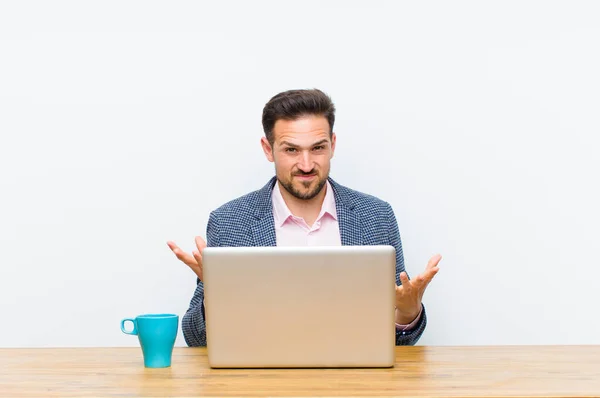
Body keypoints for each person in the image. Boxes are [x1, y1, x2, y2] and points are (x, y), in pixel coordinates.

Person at [167, 88, 441, 347]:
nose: (307, 165)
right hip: (262, 384)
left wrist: (407, 314)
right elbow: (196, 340)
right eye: (291, 150)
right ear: (268, 149)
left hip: (354, 383)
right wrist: (215, 296)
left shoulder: (376, 216)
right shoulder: (229, 222)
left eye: (318, 148)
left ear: (332, 145)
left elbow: (399, 344)